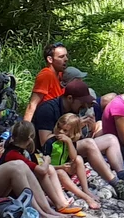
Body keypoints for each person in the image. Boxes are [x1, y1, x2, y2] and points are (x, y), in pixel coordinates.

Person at [31, 79, 103, 209]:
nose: (85, 106)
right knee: (62, 173)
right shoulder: (47, 109)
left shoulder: (73, 112)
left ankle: (90, 188)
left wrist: (82, 129)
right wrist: (70, 130)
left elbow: (75, 153)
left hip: (62, 155)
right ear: (70, 98)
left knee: (80, 157)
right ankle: (83, 196)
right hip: (48, 159)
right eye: (82, 102)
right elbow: (44, 143)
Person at [22, 42, 71, 121]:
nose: (66, 59)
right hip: (45, 120)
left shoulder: (61, 74)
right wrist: (26, 128)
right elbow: (33, 103)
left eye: (66, 56)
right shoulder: (46, 75)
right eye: (61, 57)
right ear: (50, 59)